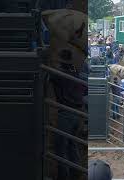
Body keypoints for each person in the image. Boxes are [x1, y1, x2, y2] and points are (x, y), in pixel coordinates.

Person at [50, 49, 85, 180]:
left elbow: (50, 74)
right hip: (77, 113)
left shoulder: (59, 75)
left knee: (60, 146)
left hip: (66, 113)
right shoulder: (75, 73)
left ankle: (63, 176)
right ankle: (76, 172)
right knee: (72, 143)